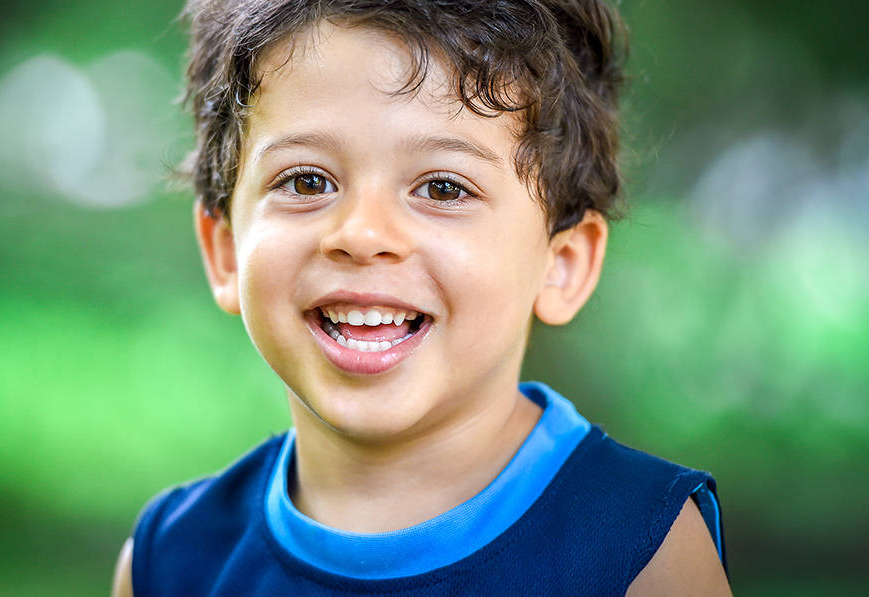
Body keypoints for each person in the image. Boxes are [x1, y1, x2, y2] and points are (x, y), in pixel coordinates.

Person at [112, 1, 731, 594]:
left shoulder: (640, 550)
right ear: (224, 249)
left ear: (560, 265)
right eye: (306, 180)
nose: (362, 233)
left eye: (442, 188)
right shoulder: (168, 561)